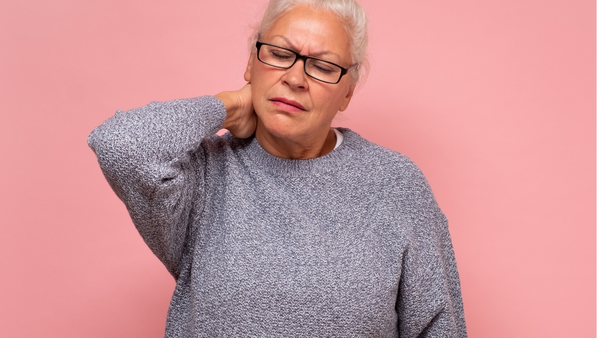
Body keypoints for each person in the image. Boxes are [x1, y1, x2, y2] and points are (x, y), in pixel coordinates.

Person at [88, 0, 467, 336]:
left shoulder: (395, 184)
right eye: (280, 54)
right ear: (251, 62)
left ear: (347, 90)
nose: (295, 78)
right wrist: (229, 106)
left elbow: (438, 329)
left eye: (322, 66)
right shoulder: (203, 174)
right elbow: (120, 144)